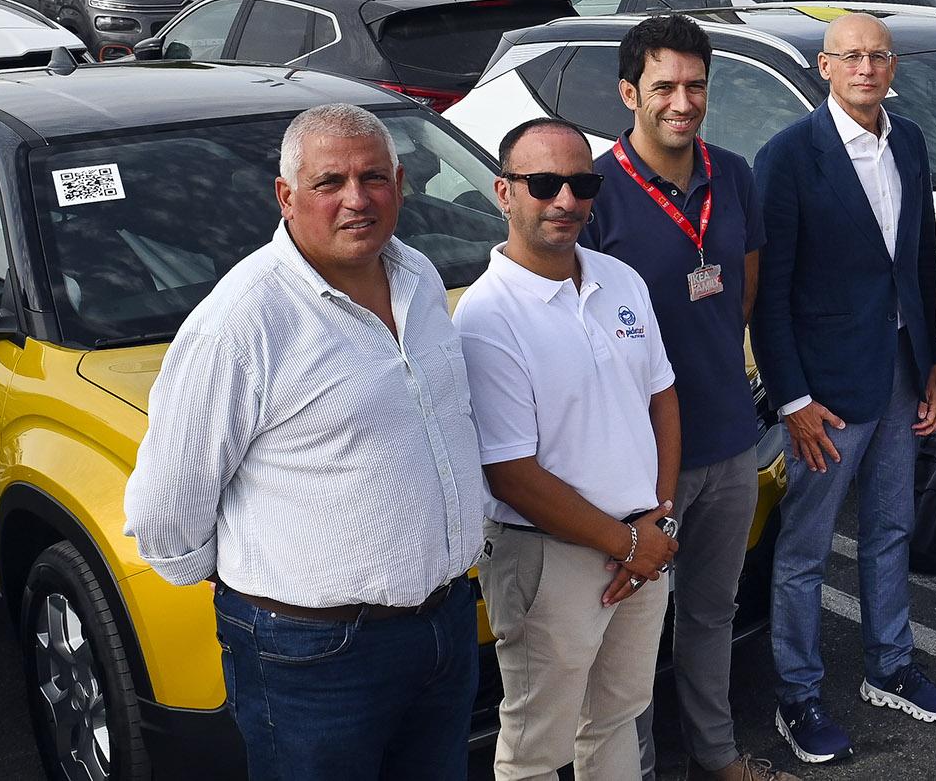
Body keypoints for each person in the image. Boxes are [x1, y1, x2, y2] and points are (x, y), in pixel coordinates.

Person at [123, 104, 483, 780]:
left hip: (443, 625)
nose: (357, 198)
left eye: (374, 176)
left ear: (401, 183)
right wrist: (263, 584)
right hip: (315, 654)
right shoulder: (242, 321)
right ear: (286, 196)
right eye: (329, 182)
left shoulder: (420, 279)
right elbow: (166, 507)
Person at [578, 16, 792, 781]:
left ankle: (714, 750)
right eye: (664, 85)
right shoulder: (597, 194)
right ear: (630, 91)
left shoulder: (731, 174)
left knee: (711, 612)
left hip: (729, 439)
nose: (681, 101)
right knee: (629, 628)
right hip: (636, 461)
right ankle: (631, 768)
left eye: (695, 85)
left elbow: (745, 290)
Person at [753, 11, 936, 765]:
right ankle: (799, 695)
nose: (867, 68)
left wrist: (932, 363)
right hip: (826, 396)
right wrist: (793, 399)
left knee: (889, 532)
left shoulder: (906, 139)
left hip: (902, 374)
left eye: (879, 56)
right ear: (824, 65)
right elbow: (769, 294)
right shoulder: (787, 157)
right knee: (805, 552)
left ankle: (890, 665)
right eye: (851, 56)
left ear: (893, 66)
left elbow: (919, 263)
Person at [457, 118, 682, 781]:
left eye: (581, 182)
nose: (564, 200)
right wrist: (630, 543)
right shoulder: (486, 316)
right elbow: (511, 473)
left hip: (643, 540)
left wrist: (660, 520)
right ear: (504, 191)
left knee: (617, 716)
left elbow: (662, 397)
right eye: (544, 183)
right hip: (549, 558)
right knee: (536, 746)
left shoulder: (620, 279)